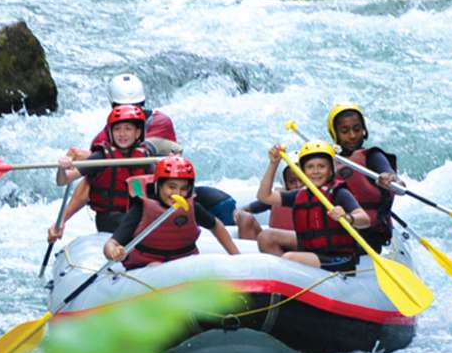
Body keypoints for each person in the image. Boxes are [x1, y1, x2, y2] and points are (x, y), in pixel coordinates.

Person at [104, 156, 239, 268]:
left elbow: (216, 226)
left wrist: (236, 257)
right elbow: (111, 244)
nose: (177, 194)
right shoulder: (141, 208)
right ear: (158, 186)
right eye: (171, 187)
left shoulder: (192, 207)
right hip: (146, 266)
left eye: (183, 188)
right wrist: (114, 252)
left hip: (181, 263)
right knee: (155, 267)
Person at [255, 141, 369, 271]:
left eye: (321, 166)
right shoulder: (300, 194)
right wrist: (274, 163)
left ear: (331, 169)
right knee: (266, 237)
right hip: (311, 249)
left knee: (289, 259)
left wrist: (348, 217)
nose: (316, 171)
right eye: (310, 167)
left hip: (339, 257)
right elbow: (264, 196)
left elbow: (365, 220)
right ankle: (289, 279)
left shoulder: (339, 193)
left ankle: (290, 277)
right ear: (303, 171)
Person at [50, 105, 154, 237]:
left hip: (136, 215)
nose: (122, 134)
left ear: (138, 133)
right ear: (111, 132)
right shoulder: (101, 157)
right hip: (109, 218)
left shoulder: (144, 157)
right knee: (134, 223)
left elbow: (158, 186)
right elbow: (63, 181)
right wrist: (62, 168)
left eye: (128, 129)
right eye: (117, 129)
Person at [325, 103, 401, 253]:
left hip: (370, 233)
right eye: (345, 131)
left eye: (357, 129)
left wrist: (391, 180)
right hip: (339, 227)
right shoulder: (331, 163)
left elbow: (394, 178)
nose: (352, 135)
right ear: (335, 134)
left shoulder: (373, 156)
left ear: (364, 130)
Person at [234, 166, 301, 239]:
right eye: (292, 182)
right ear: (286, 184)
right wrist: (238, 215)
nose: (298, 185)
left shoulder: (314, 197)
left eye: (302, 180)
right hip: (274, 243)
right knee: (245, 218)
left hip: (302, 243)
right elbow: (242, 210)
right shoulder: (278, 199)